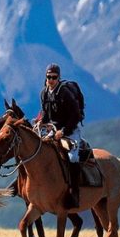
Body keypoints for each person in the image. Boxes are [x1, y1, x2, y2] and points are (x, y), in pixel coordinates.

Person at [37, 63, 83, 208]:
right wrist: (41, 123)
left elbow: (76, 115)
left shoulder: (65, 93)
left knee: (72, 157)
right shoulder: (44, 93)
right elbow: (45, 113)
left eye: (54, 77)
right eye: (48, 77)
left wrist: (63, 132)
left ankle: (74, 192)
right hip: (53, 129)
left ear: (58, 77)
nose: (51, 80)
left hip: (70, 131)